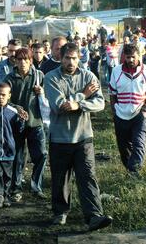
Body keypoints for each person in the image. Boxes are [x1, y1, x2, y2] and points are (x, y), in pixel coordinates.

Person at [44, 42, 113, 231]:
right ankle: (60, 212)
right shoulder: (51, 78)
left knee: (88, 177)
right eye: (67, 58)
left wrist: (78, 105)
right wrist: (82, 96)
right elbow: (59, 106)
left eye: (75, 58)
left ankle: (94, 216)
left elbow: (100, 103)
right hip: (59, 138)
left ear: (80, 57)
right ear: (61, 57)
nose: (71, 62)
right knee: (60, 178)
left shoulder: (88, 76)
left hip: (83, 137)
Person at [4, 48, 48, 202]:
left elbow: (47, 98)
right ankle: (16, 189)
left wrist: (41, 92)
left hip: (36, 122)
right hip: (16, 124)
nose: (23, 63)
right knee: (17, 157)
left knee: (41, 155)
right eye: (20, 59)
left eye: (26, 60)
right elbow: (4, 99)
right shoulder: (9, 78)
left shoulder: (38, 76)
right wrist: (16, 108)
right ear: (15, 61)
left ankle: (36, 186)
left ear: (31, 61)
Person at [109, 44, 146, 177]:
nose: (130, 60)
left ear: (139, 56)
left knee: (139, 143)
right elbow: (112, 92)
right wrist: (114, 110)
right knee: (124, 147)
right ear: (123, 57)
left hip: (139, 114)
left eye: (133, 57)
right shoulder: (116, 71)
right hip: (121, 114)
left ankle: (134, 173)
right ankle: (129, 168)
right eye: (127, 57)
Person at [0, 39, 22, 107]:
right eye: (11, 51)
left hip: (20, 107)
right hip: (2, 108)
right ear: (7, 51)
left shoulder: (26, 67)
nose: (13, 54)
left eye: (16, 51)